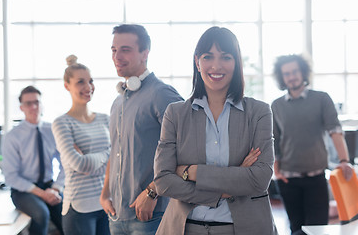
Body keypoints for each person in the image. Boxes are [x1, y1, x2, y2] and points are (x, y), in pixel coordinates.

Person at [154, 26, 278, 235]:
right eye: (208, 56)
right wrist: (225, 190)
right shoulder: (175, 113)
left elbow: (259, 179)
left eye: (226, 57)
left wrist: (190, 172)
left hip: (246, 228)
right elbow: (163, 182)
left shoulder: (259, 112)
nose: (216, 65)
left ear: (236, 62)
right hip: (184, 228)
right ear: (197, 62)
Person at [99, 24, 183, 235]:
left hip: (152, 216)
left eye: (125, 49)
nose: (117, 56)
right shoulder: (118, 102)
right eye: (113, 50)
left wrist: (152, 193)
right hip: (116, 215)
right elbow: (114, 152)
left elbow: (187, 150)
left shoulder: (162, 94)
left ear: (145, 53)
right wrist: (105, 193)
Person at [271, 54, 353, 235]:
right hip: (288, 179)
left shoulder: (322, 98)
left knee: (317, 230)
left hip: (316, 178)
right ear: (282, 77)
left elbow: (335, 131)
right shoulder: (276, 105)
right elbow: (274, 140)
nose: (291, 76)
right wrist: (276, 171)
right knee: (296, 229)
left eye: (294, 71)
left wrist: (344, 160)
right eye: (286, 73)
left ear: (303, 72)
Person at [52, 55, 110, 235]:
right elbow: (80, 165)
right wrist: (108, 154)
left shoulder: (105, 119)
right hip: (78, 208)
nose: (88, 87)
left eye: (90, 81)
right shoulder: (61, 123)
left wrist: (91, 160)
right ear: (66, 85)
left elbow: (119, 160)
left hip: (107, 202)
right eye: (80, 82)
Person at [2, 85, 65, 235]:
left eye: (36, 102)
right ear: (21, 107)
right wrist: (43, 194)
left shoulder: (53, 130)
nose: (33, 106)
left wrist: (56, 188)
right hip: (24, 190)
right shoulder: (12, 136)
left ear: (41, 104)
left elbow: (66, 163)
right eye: (28, 103)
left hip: (50, 187)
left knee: (68, 216)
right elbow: (11, 176)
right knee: (41, 214)